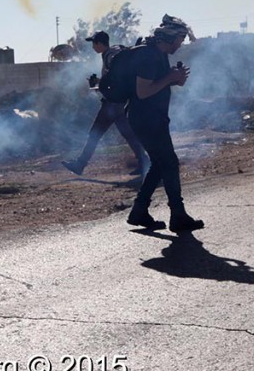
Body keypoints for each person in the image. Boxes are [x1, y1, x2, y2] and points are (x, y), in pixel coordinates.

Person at [125, 15, 204, 233]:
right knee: (169, 162)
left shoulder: (158, 54)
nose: (181, 44)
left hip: (152, 118)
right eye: (180, 39)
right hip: (146, 119)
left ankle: (139, 211)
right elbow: (143, 92)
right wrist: (170, 78)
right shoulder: (149, 56)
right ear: (171, 37)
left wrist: (174, 79)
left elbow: (156, 85)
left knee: (160, 163)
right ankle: (177, 215)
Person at [62, 31, 150, 177]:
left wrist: (102, 84)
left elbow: (116, 79)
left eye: (94, 43)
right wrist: (99, 82)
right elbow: (112, 79)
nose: (93, 47)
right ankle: (145, 162)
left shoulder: (110, 56)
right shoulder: (112, 54)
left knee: (95, 134)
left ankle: (80, 164)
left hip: (112, 104)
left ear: (99, 43)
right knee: (128, 135)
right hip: (118, 102)